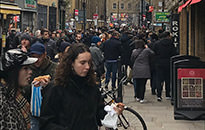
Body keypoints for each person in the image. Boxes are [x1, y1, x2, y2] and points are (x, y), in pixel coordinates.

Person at [39, 43, 124, 130]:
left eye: (89, 62)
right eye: (82, 63)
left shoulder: (92, 87)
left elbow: (98, 113)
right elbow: (46, 123)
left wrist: (112, 111)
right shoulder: (56, 88)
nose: (87, 67)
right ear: (71, 63)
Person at [0, 49, 38, 130]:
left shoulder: (15, 95)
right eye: (25, 68)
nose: (30, 72)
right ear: (13, 72)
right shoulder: (3, 100)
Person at [153, 32, 177, 101]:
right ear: (167, 36)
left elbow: (154, 52)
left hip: (159, 63)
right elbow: (174, 53)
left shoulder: (157, 43)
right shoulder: (171, 44)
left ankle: (159, 95)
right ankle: (167, 94)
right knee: (168, 79)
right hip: (168, 63)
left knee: (159, 79)